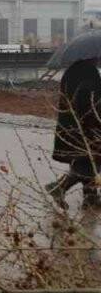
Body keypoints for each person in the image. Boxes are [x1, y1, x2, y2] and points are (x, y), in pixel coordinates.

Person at [47, 59, 101, 209]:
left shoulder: (72, 70)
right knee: (90, 161)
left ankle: (91, 197)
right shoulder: (88, 71)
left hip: (71, 124)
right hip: (86, 125)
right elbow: (89, 99)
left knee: (86, 159)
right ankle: (59, 187)